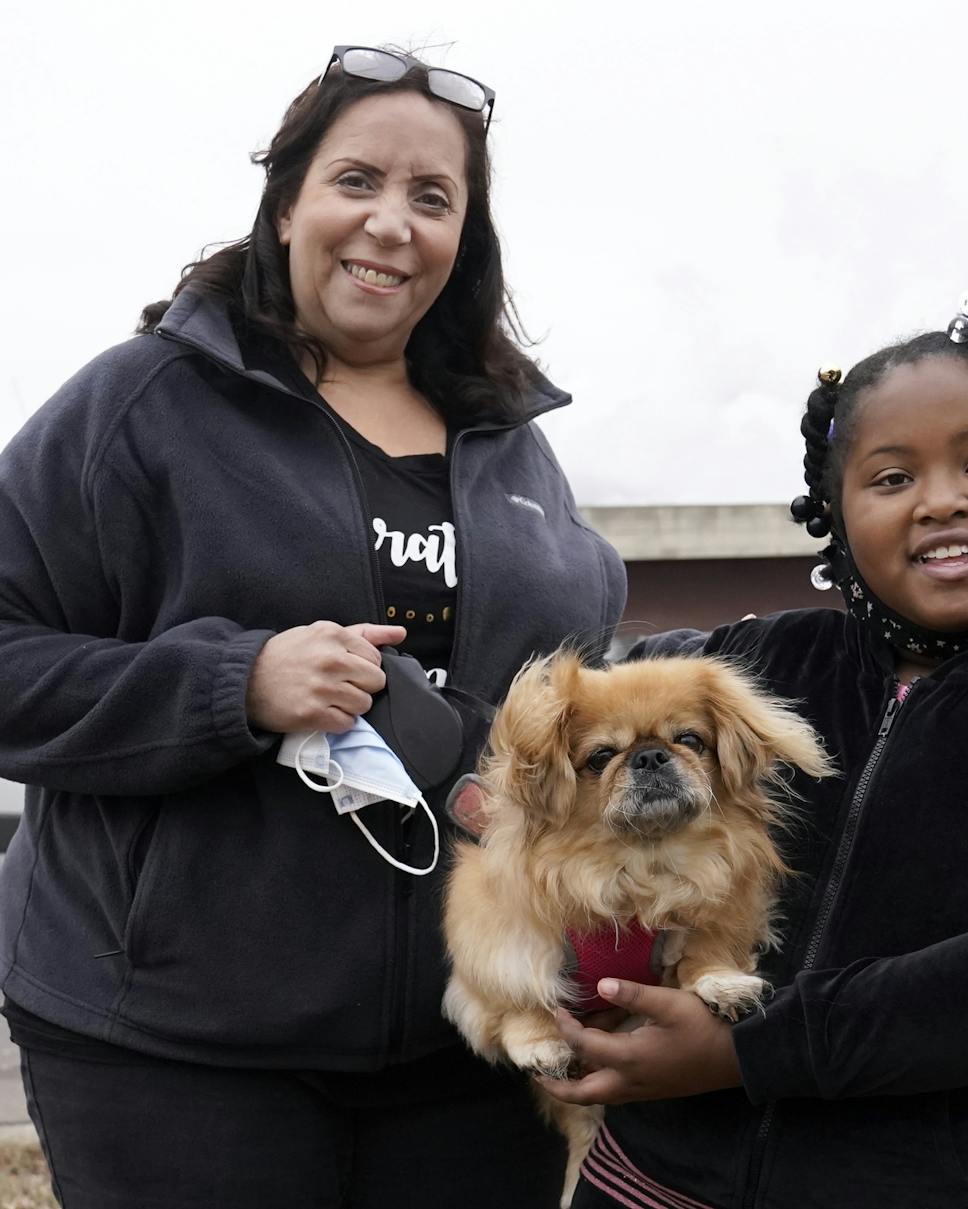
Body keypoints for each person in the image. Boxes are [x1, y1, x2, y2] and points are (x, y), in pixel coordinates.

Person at [0, 45, 624, 1208]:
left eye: (431, 198)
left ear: (462, 239)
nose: (391, 223)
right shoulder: (143, 405)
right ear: (288, 203)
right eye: (357, 182)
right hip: (176, 1047)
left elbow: (576, 714)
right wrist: (230, 686)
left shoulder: (511, 445)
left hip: (471, 1047)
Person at [539, 299, 968, 1208]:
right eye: (892, 478)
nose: (942, 499)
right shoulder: (740, 670)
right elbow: (547, 749)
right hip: (650, 1185)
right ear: (837, 516)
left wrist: (749, 1048)